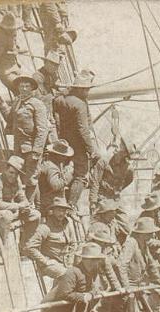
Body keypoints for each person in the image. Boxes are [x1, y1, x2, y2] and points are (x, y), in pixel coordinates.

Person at [0, 74, 49, 201]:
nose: (24, 89)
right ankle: (23, 203)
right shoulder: (17, 102)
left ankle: (31, 206)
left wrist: (36, 151)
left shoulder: (37, 105)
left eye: (27, 86)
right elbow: (9, 118)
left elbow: (42, 130)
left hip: (31, 149)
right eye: (21, 86)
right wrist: (2, 104)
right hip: (18, 149)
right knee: (17, 176)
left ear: (32, 88)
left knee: (31, 178)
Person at [53, 69, 99, 207]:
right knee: (81, 175)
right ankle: (70, 205)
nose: (87, 93)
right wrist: (91, 150)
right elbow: (83, 129)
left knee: (64, 171)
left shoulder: (61, 99)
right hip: (78, 146)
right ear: (80, 89)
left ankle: (60, 201)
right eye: (86, 90)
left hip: (63, 144)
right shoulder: (80, 104)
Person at [119, 217, 160, 312]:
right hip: (131, 285)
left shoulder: (144, 243)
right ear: (142, 233)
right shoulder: (131, 243)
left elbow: (151, 263)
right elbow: (122, 265)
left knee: (155, 307)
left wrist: (158, 280)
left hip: (140, 283)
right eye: (150, 233)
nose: (152, 236)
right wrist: (126, 286)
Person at [0, 155, 40, 264]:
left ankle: (25, 246)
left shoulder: (17, 182)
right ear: (5, 170)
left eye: (16, 174)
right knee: (7, 215)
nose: (13, 176)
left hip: (13, 212)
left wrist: (26, 206)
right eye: (11, 172)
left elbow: (22, 198)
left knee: (36, 214)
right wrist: (18, 206)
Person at [25, 197, 77, 281]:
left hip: (66, 262)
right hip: (50, 265)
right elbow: (29, 247)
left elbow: (73, 244)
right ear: (53, 211)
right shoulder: (45, 227)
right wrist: (45, 261)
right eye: (59, 210)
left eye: (63, 211)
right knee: (67, 275)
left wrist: (70, 260)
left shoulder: (67, 225)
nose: (61, 213)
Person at [89, 139, 135, 213]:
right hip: (101, 196)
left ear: (125, 154)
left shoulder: (128, 168)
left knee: (124, 222)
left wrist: (119, 189)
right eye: (120, 144)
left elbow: (129, 179)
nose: (117, 147)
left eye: (121, 147)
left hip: (115, 197)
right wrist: (93, 201)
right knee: (102, 219)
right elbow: (95, 181)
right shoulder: (104, 161)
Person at [0, 13, 27, 94]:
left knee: (29, 88)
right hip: (5, 71)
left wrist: (16, 50)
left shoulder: (11, 31)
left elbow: (12, 44)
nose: (15, 31)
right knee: (22, 91)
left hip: (14, 66)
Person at [37, 139, 74, 217]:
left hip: (49, 198)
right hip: (50, 201)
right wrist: (68, 175)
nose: (65, 158)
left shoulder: (52, 163)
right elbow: (55, 185)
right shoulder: (52, 167)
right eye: (64, 156)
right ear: (58, 155)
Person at [33, 50, 62, 142]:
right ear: (46, 63)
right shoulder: (37, 77)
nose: (55, 67)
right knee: (49, 137)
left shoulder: (51, 74)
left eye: (57, 65)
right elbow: (39, 100)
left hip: (51, 109)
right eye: (53, 64)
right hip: (43, 112)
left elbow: (55, 85)